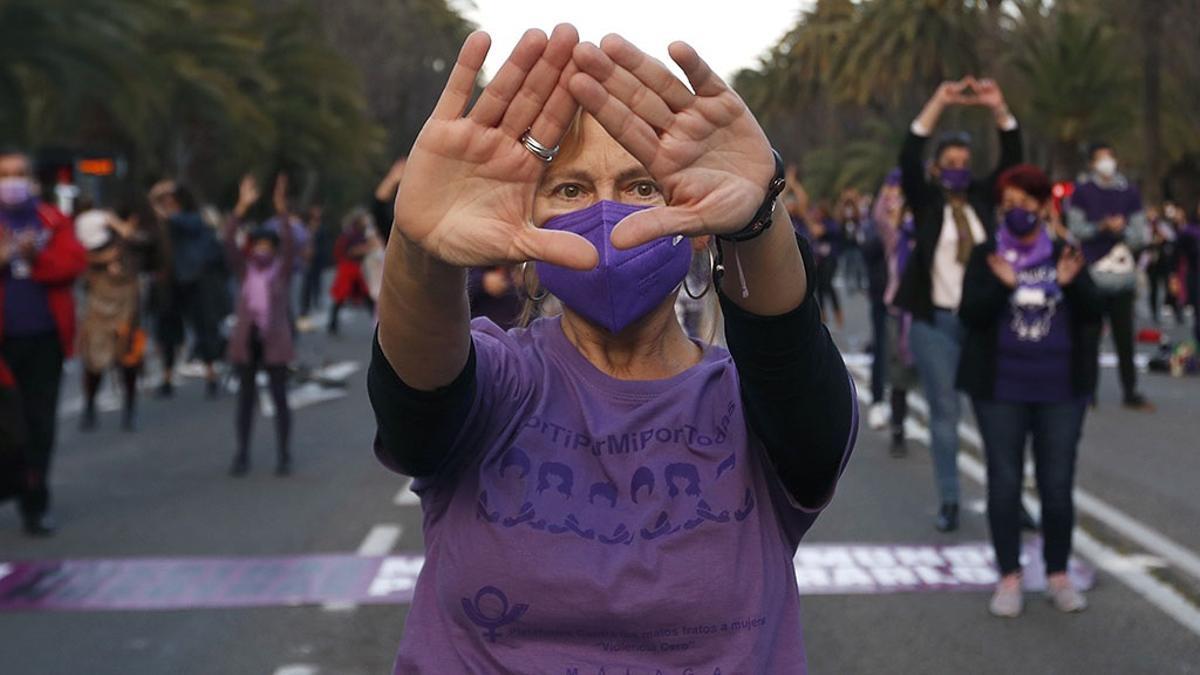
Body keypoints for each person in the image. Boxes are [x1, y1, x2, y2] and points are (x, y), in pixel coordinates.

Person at [368, 27, 856, 671]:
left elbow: (791, 366)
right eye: (570, 190)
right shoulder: (500, 383)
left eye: (641, 186)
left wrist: (759, 218)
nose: (607, 214)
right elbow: (415, 407)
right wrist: (420, 248)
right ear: (525, 227)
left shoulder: (754, 411)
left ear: (701, 229)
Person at [958, 164, 1101, 617]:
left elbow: (1094, 311)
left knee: (1057, 486)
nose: (1017, 212)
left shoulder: (1066, 254)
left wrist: (1069, 285)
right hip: (1000, 390)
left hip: (1061, 390)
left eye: (1026, 203)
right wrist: (1001, 288)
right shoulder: (986, 256)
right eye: (1009, 205)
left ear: (1043, 206)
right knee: (1004, 484)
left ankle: (1057, 574)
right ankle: (1009, 577)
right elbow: (970, 316)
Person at [895, 77, 1022, 532]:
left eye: (965, 163)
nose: (959, 170)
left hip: (984, 323)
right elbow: (909, 154)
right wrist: (939, 100)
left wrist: (998, 107)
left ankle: (1010, 498)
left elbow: (1013, 158)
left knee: (999, 415)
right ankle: (950, 498)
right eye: (950, 163)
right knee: (945, 415)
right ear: (937, 169)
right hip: (936, 325)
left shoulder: (984, 201)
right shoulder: (927, 204)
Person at [0, 147, 87, 536]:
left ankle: (35, 504)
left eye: (18, 174)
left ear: (32, 179)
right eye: (4, 175)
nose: (11, 182)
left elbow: (72, 265)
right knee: (8, 426)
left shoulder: (53, 221)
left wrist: (36, 256)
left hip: (43, 339)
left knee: (38, 426)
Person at [1067, 143, 1152, 410]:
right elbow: (1076, 228)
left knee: (1125, 337)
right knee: (1088, 337)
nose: (1107, 164)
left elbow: (1140, 234)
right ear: (1092, 163)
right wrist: (1101, 226)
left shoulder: (1129, 192)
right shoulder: (1081, 192)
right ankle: (1087, 391)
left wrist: (1123, 230)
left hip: (1122, 274)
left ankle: (1130, 390)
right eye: (1102, 159)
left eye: (1111, 158)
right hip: (1094, 273)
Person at [224, 175, 295, 477]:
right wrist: (241, 207)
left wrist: (281, 209)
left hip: (275, 342)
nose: (264, 249)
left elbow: (291, 244)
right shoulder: (245, 271)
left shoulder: (281, 272)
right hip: (247, 341)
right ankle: (242, 454)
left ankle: (283, 453)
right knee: (245, 401)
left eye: (269, 245)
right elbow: (227, 241)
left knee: (280, 400)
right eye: (259, 244)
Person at [76, 207, 150, 432]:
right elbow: (76, 270)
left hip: (127, 311)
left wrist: (121, 228)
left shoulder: (126, 244)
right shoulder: (85, 256)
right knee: (94, 362)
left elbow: (147, 245)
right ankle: (89, 406)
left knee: (129, 361)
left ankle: (129, 411)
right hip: (98, 313)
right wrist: (99, 260)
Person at [149, 180, 224, 398]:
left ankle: (211, 375)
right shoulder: (164, 222)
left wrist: (158, 203)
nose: (168, 203)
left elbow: (179, 221)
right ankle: (167, 377)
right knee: (168, 331)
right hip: (170, 281)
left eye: (171, 199)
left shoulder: (192, 219)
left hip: (193, 279)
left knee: (203, 328)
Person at [327, 208, 376, 335]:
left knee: (366, 296)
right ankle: (332, 324)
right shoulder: (351, 234)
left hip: (355, 267)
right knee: (341, 296)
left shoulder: (360, 233)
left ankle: (377, 323)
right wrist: (365, 249)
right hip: (348, 267)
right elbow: (350, 251)